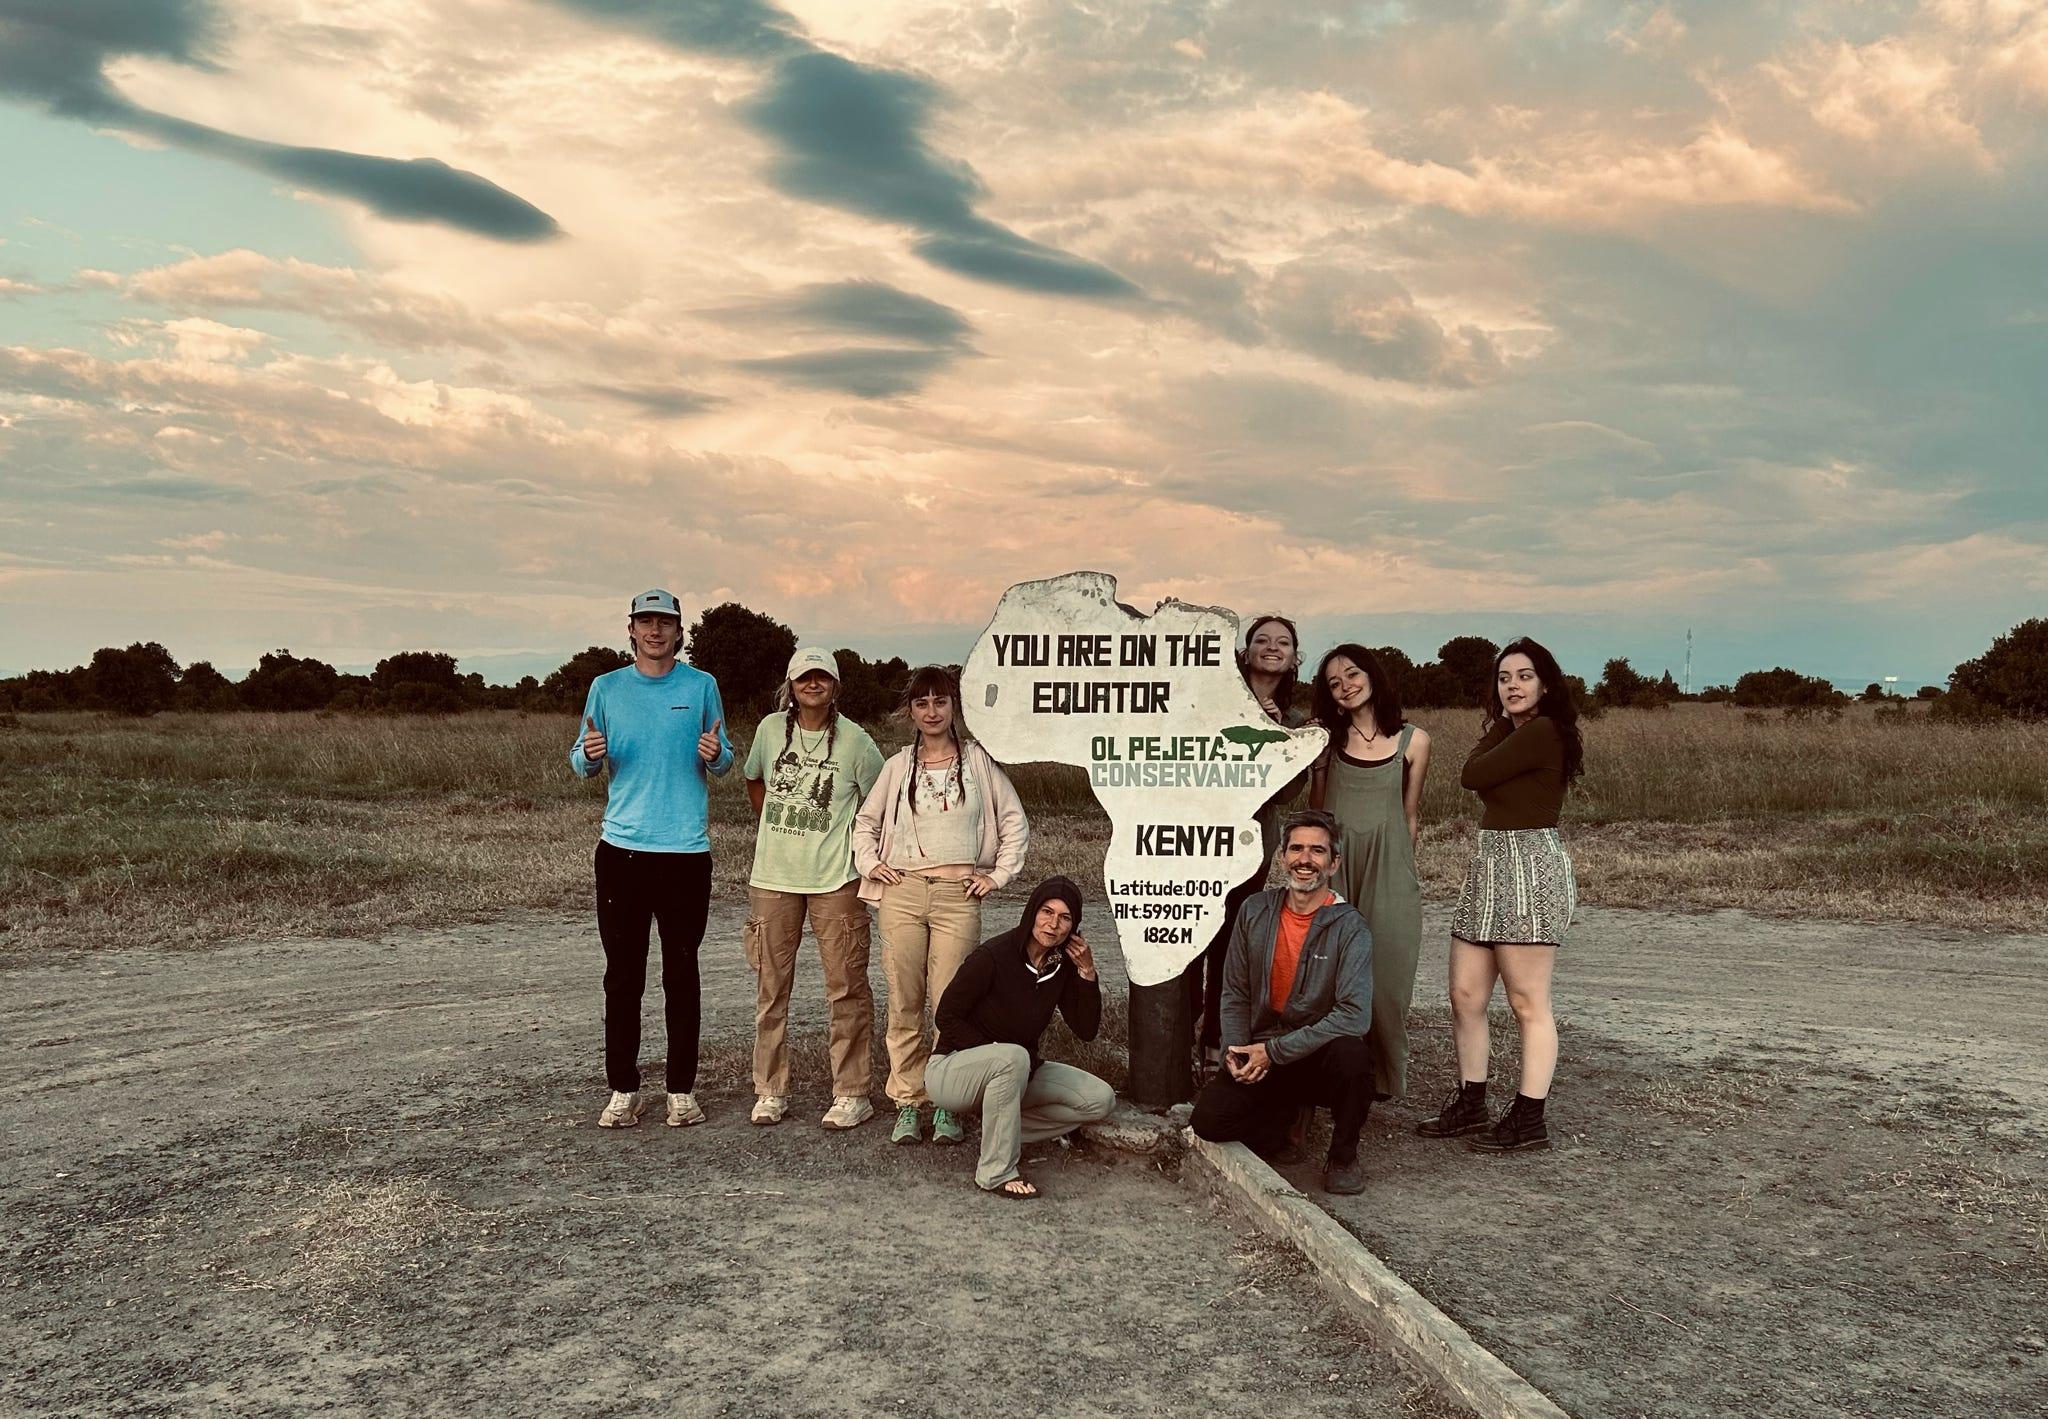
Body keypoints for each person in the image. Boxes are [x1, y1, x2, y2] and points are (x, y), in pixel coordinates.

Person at [570, 589, 733, 1130]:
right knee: (623, 976)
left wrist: (718, 757)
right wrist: (589, 758)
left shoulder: (702, 685)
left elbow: (725, 756)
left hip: (686, 852)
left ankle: (681, 1091)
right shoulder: (607, 688)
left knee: (681, 973)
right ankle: (623, 1088)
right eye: (646, 622)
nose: (656, 631)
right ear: (632, 629)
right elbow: (582, 759)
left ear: (680, 632)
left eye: (665, 622)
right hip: (622, 853)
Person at [1417, 637, 1584, 1154]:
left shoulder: (1544, 732)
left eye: (1524, 676)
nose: (1513, 686)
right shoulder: (1511, 732)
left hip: (1529, 867)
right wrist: (1495, 731)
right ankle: (1472, 1103)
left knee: (1527, 1001)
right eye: (1505, 678)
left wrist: (1492, 736)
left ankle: (1529, 1118)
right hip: (1490, 865)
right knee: (1465, 996)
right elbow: (1481, 774)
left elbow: (1473, 775)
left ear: (1546, 684)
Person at [853, 665, 1031, 1146]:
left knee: (951, 1004)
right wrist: (872, 865)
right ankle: (910, 1101)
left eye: (940, 702)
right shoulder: (896, 767)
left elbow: (1014, 821)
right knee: (905, 999)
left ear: (955, 706)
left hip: (958, 896)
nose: (931, 712)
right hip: (904, 893)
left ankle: (947, 1101)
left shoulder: (978, 763)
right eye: (921, 703)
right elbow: (864, 824)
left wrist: (997, 875)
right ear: (910, 711)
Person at [1191, 809, 1375, 1194]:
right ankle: (1283, 1121)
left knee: (1354, 1058)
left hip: (1313, 1053)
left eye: (1317, 851)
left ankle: (1343, 1156)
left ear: (1334, 862)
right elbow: (1236, 991)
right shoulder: (1255, 910)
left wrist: (1273, 1052)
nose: (1304, 860)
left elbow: (1353, 1016)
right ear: (1282, 856)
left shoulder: (1350, 926)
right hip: (1261, 1048)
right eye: (1296, 849)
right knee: (1208, 1121)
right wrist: (1236, 1051)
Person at [741, 647, 887, 1130]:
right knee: (771, 987)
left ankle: (851, 1092)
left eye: (823, 677)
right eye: (805, 677)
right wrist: (777, 828)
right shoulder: (768, 730)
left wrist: (856, 848)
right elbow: (755, 781)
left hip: (835, 880)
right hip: (773, 878)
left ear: (835, 686)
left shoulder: (856, 741)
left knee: (845, 986)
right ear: (791, 684)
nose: (813, 684)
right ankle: (770, 1089)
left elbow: (879, 799)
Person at [925, 877, 1116, 1198]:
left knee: (1100, 1099)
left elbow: (1086, 1030)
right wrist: (997, 1054)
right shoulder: (993, 956)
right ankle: (995, 1171)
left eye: (1065, 918)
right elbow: (946, 1016)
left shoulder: (1062, 966)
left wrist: (1086, 973)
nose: (1053, 924)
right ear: (1031, 913)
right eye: (1046, 912)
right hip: (951, 1071)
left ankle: (1002, 1131)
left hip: (1017, 1072)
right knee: (1013, 1057)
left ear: (1074, 927)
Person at [1184, 615, 1310, 1080]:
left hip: (1249, 844)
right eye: (1261, 640)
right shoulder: (1215, 698)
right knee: (1187, 937)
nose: (1271, 648)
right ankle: (1177, 1037)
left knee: (1230, 945)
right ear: (1246, 651)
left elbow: (1286, 793)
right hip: (1197, 838)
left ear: (1295, 658)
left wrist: (1275, 737)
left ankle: (1216, 1040)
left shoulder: (1296, 720)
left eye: (1283, 642)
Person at [1308, 644, 1430, 1101]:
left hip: (1390, 865)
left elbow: (1410, 814)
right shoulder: (1327, 740)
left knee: (1389, 975)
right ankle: (1328, 1075)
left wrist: (1403, 869)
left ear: (1373, 675)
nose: (1346, 686)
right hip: (1336, 865)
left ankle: (1383, 1078)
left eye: (1353, 674)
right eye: (1334, 683)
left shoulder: (1414, 741)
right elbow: (1316, 811)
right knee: (1327, 972)